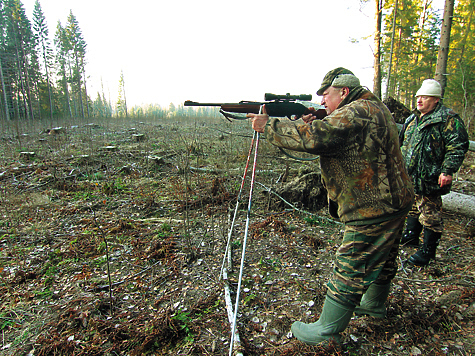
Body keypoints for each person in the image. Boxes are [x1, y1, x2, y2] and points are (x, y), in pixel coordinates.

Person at [247, 67, 414, 345]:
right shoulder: (373, 106)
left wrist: (269, 126)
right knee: (384, 257)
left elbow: (317, 138)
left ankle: (327, 330)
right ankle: (373, 305)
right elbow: (336, 134)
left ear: (344, 92)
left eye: (326, 95)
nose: (322, 101)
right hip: (394, 199)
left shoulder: (355, 111)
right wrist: (310, 121)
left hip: (372, 205)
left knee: (351, 263)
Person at [400, 79, 469, 266]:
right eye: (418, 96)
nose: (419, 100)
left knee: (430, 214)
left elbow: (457, 146)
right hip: (410, 176)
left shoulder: (448, 119)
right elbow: (402, 145)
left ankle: (427, 252)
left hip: (431, 177)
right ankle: (411, 236)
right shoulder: (412, 119)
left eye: (425, 97)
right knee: (413, 206)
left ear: (436, 99)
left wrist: (447, 171)